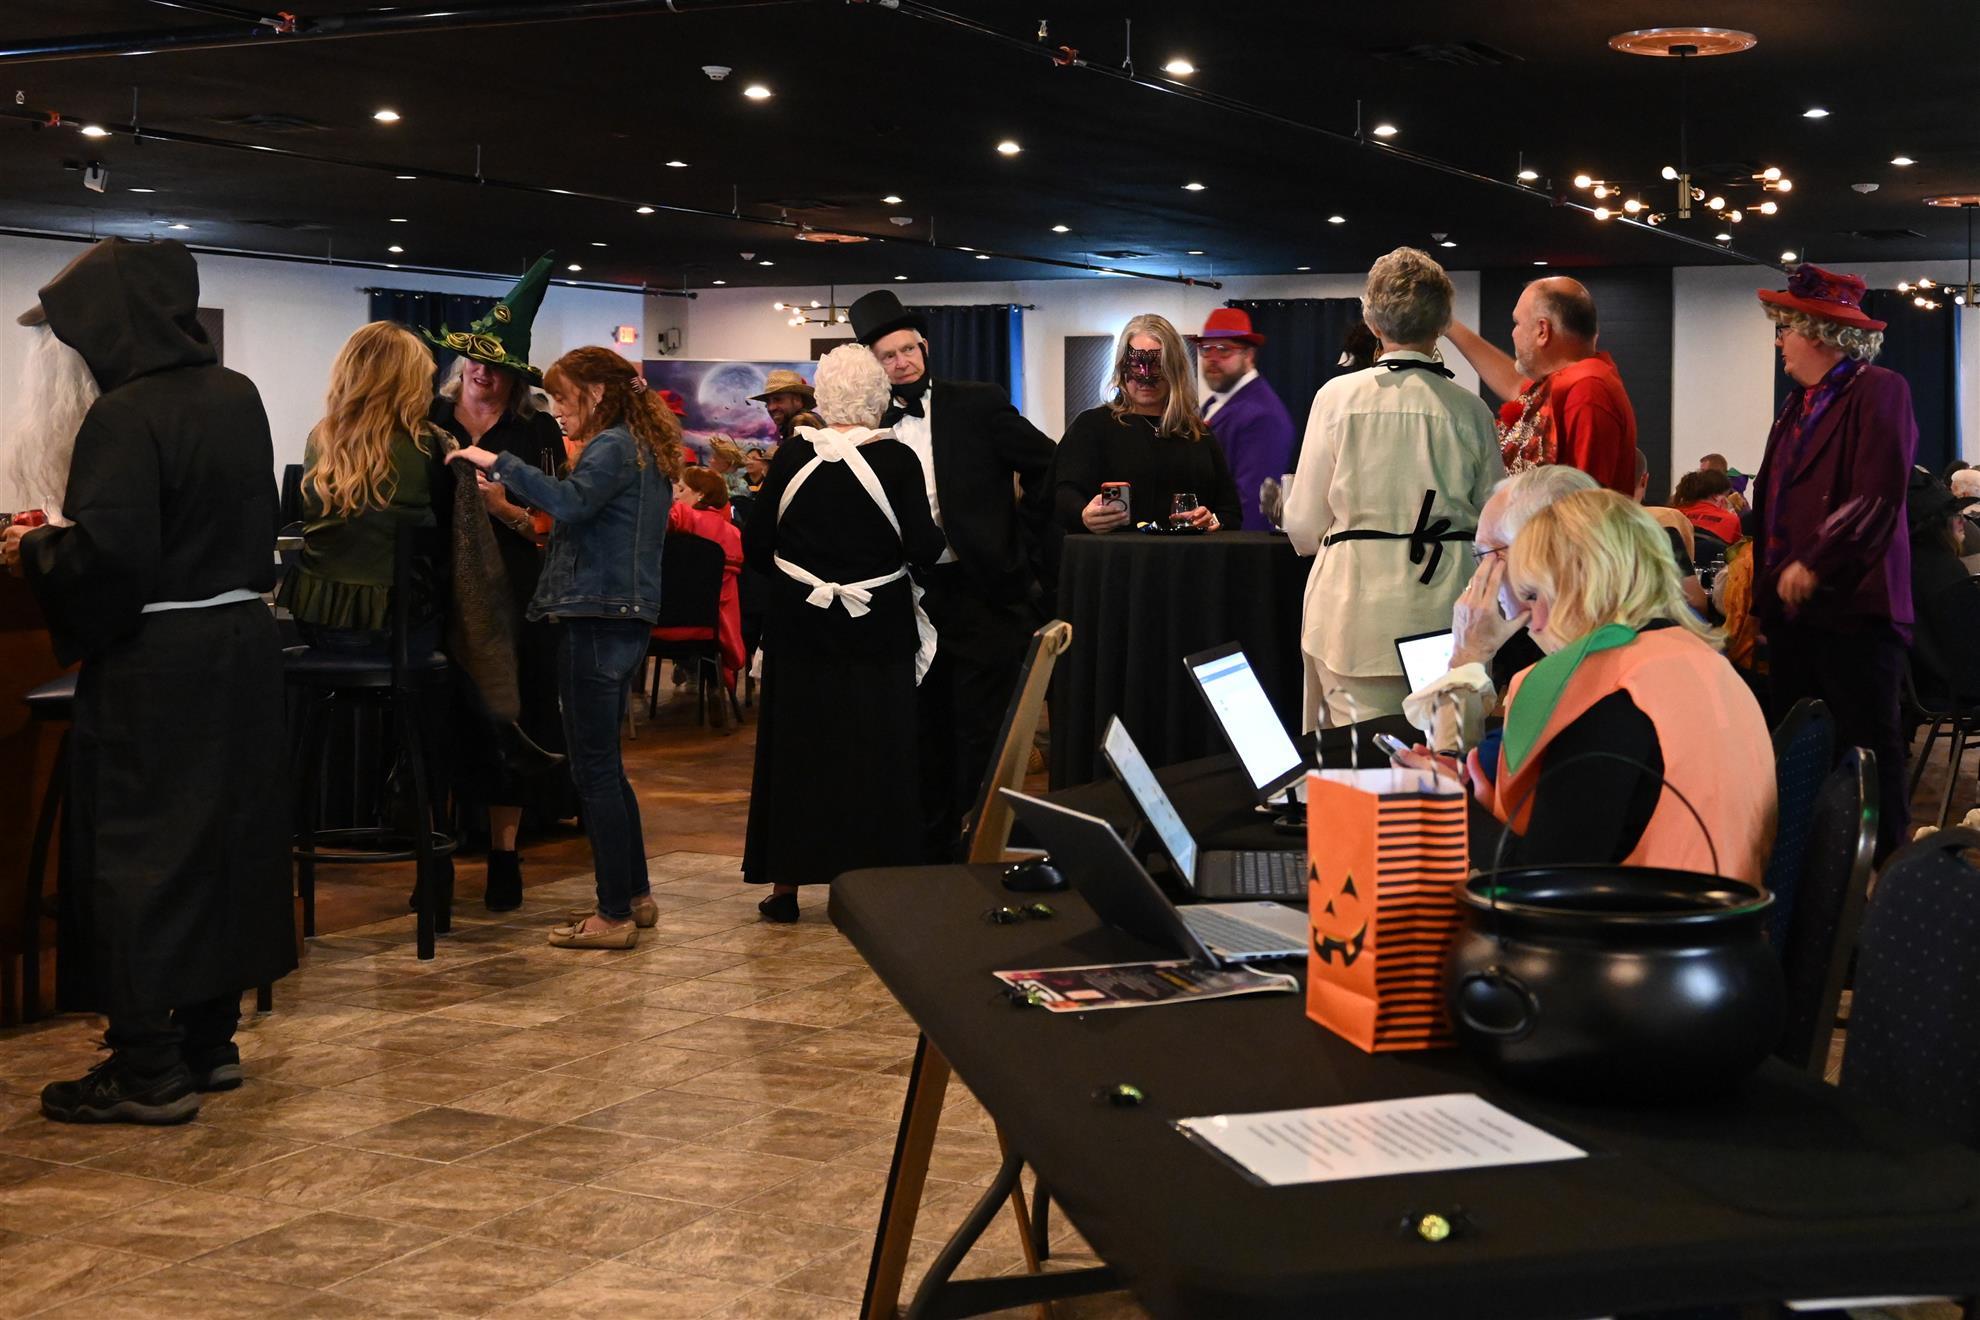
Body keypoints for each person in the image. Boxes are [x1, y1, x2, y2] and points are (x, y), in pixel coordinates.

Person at [2, 238, 292, 1124]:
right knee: (225, 842)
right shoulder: (236, 393)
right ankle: (210, 1042)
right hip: (244, 648)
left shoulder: (123, 415)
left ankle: (145, 1064)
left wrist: (34, 548)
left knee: (136, 852)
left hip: (160, 662)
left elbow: (112, 560)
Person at [449, 347, 681, 949]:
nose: (557, 412)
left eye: (562, 398)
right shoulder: (637, 445)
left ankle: (613, 915)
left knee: (593, 771)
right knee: (607, 767)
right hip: (618, 617)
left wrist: (497, 462)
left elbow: (571, 503)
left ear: (596, 393)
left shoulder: (611, 447)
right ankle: (635, 895)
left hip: (596, 618)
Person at [847, 288, 1057, 861]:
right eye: (888, 356)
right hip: (908, 593)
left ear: (925, 347)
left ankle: (982, 844)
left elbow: (1047, 463)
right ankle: (931, 850)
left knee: (982, 728)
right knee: (921, 725)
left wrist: (1021, 542)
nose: (902, 363)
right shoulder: (866, 424)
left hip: (981, 589)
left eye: (908, 350)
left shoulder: (976, 403)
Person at [1472, 489, 1776, 883]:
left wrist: (1454, 806)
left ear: (1585, 584)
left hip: (1641, 916)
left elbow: (1544, 882)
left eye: (1535, 595)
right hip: (1725, 907)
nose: (1533, 621)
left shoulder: (1603, 693)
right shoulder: (1706, 661)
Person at [742, 344, 945, 921]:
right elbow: (925, 548)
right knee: (876, 755)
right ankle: (875, 883)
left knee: (795, 753)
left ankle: (785, 887)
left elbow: (756, 546)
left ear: (823, 397)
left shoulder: (791, 456)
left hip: (798, 628)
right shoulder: (898, 460)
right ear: (878, 397)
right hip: (875, 630)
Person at [1283, 248, 1501, 729]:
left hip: (1352, 614)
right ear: (1442, 323)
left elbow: (1303, 525)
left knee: (1357, 756)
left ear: (1372, 321)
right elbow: (1495, 527)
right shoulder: (1472, 411)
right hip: (1448, 613)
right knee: (1447, 752)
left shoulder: (1336, 398)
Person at [425, 256, 575, 907]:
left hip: (517, 594)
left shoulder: (535, 430)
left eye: (493, 365)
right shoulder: (428, 418)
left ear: (514, 374)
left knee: (508, 721)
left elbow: (557, 520)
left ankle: (504, 857)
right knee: (441, 723)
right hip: (441, 591)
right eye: (472, 360)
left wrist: (504, 508)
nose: (479, 372)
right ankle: (434, 859)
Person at [1752, 264, 1917, 857]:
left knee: (1866, 749)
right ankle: (1808, 872)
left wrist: (1815, 563)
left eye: (1786, 329)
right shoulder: (1796, 405)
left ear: (1819, 334)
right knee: (1799, 749)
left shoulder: (1880, 390)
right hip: (1794, 614)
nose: (1779, 342)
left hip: (1854, 609)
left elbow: (1877, 496)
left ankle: (1882, 876)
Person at [280, 323, 452, 655]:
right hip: (398, 621)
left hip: (317, 616)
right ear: (409, 382)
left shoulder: (321, 436)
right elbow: (450, 534)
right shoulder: (427, 443)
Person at [1402, 464, 1598, 751]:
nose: (1479, 574)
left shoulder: (1546, 684)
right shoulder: (1644, 637)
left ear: (1541, 555)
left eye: (1488, 554)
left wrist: (1466, 658)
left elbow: (1453, 770)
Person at [1444, 276, 1637, 494]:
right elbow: (1514, 384)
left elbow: (1585, 502)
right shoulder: (1569, 381)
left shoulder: (1587, 391)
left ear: (1542, 331)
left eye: (1517, 323)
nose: (1513, 333)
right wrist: (1447, 322)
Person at [1055, 313, 1241, 535]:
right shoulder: (1091, 427)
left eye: (1157, 365)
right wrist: (1084, 514)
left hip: (1184, 555)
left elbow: (1230, 512)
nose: (1145, 375)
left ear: (1174, 369)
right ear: (1123, 367)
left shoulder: (1198, 435)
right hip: (1114, 553)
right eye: (1136, 364)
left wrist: (1212, 520)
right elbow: (1061, 494)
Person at [1196, 308, 1296, 531]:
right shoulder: (1214, 404)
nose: (1213, 358)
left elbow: (1252, 507)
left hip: (1232, 545)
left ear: (1248, 355)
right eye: (1206, 349)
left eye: (1224, 350)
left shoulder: (1262, 416)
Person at [662, 466, 746, 689]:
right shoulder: (733, 533)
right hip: (713, 626)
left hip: (662, 621)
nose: (676, 495)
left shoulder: (680, 517)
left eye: (682, 489)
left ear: (700, 494)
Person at [1906, 469, 1980, 703]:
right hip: (1952, 690)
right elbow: (1967, 645)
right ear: (1938, 524)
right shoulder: (1944, 569)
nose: (1962, 521)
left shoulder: (1911, 565)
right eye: (1954, 514)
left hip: (1929, 687)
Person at [751, 367, 825, 443]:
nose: (771, 408)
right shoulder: (792, 425)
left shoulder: (803, 421)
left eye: (778, 399)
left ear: (797, 400)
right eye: (768, 402)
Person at [1672, 467, 1744, 544]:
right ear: (1716, 496)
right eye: (1725, 495)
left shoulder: (1673, 514)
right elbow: (1737, 549)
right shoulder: (1731, 520)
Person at [707, 435, 752, 500]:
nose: (710, 460)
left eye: (715, 458)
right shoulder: (709, 480)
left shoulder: (740, 486)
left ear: (728, 463)